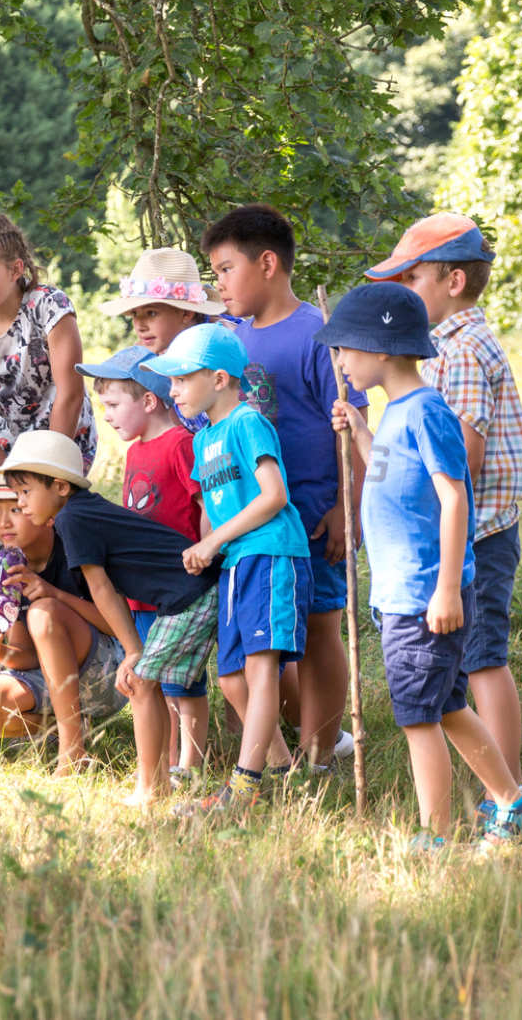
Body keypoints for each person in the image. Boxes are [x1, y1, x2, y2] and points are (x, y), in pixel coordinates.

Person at [318, 283, 522, 849]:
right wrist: (363, 434)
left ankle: (433, 835)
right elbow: (394, 471)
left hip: (424, 595)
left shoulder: (429, 411)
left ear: (383, 349)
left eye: (345, 349)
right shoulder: (398, 414)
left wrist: (446, 588)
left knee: (420, 718)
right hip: (403, 594)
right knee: (446, 707)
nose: (339, 360)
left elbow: (453, 497)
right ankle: (513, 802)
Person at [367, 213, 522, 812]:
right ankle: (501, 787)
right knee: (463, 668)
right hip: (458, 533)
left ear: (454, 282)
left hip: (476, 534)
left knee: (482, 656)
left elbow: (459, 458)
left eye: (412, 281)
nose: (404, 297)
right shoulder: (447, 346)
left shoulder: (460, 349)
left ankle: (507, 792)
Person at [201, 202, 363, 769]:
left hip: (312, 512)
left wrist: (347, 506)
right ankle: (284, 746)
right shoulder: (228, 339)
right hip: (248, 524)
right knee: (267, 639)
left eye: (225, 269)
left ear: (267, 263)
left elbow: (351, 427)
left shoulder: (314, 335)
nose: (218, 284)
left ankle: (321, 751)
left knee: (320, 625)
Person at [0, 429, 219, 807]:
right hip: (185, 595)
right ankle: (158, 780)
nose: (21, 503)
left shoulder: (73, 520)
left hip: (191, 594)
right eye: (17, 494)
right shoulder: (81, 512)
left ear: (61, 487)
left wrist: (132, 650)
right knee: (148, 685)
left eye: (26, 492)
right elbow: (112, 590)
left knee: (141, 680)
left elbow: (101, 589)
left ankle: (152, 789)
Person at [146, 324, 314, 814]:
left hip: (271, 553)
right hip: (237, 562)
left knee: (261, 671)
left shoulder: (247, 423)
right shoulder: (205, 440)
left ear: (219, 378)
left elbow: (274, 495)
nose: (172, 390)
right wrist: (204, 547)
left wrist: (215, 540)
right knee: (231, 680)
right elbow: (210, 510)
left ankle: (245, 786)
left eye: (180, 379)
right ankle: (284, 774)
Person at [76, 344, 210, 781]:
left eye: (113, 404)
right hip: (144, 592)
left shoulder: (180, 445)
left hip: (181, 588)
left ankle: (189, 765)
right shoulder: (134, 452)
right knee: (151, 679)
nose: (108, 415)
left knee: (183, 682)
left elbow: (205, 504)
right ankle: (164, 761)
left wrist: (206, 555)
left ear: (149, 401)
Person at [0, 475, 128, 769]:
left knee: (43, 612)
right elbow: (25, 656)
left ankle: (72, 751)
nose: (3, 523)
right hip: (49, 679)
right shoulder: (5, 566)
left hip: (105, 674)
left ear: (47, 514)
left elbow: (118, 626)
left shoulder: (74, 548)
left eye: (15, 509)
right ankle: (70, 729)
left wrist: (54, 594)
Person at [0, 212, 97, 470]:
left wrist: (50, 469)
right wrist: (1, 471)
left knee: (55, 509)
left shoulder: (49, 306)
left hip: (67, 435)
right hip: (10, 442)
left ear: (15, 269)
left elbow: (70, 394)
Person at [99, 246, 226, 358]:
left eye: (151, 313)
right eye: (134, 314)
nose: (140, 326)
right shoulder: (150, 353)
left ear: (186, 313)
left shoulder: (211, 355)